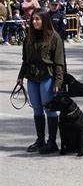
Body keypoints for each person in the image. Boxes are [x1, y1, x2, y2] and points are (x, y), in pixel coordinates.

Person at [17, 10, 65, 154]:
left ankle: (52, 142)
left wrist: (58, 82)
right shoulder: (29, 37)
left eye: (37, 19)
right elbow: (25, 60)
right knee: (37, 109)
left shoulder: (54, 37)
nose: (34, 22)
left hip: (47, 76)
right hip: (32, 77)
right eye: (33, 19)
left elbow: (59, 63)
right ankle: (40, 140)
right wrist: (20, 76)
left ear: (44, 20)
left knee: (49, 109)